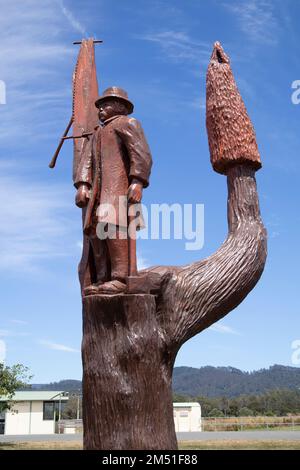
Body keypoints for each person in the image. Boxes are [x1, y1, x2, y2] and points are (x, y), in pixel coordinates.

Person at [75, 87, 152, 295]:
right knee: (95, 233)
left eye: (105, 105)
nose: (100, 109)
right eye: (99, 106)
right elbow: (86, 161)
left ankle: (119, 277)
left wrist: (137, 181)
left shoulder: (128, 124)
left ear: (120, 106)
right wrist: (83, 184)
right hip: (98, 194)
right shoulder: (97, 133)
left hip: (118, 190)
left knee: (114, 228)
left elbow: (141, 154)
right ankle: (102, 279)